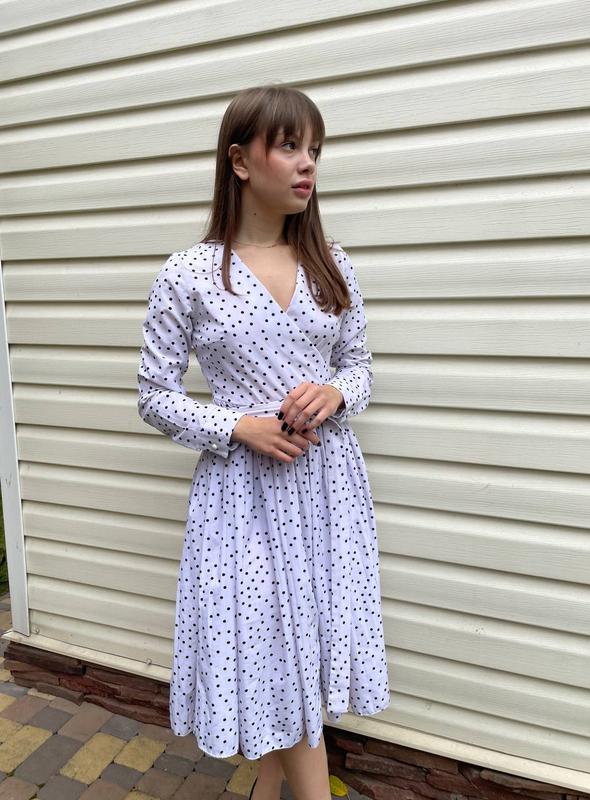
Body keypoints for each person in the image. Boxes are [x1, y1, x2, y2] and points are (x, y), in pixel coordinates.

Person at [136, 83, 390, 800]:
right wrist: (236, 425)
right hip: (241, 499)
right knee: (270, 650)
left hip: (327, 492)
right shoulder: (189, 274)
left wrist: (337, 393)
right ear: (240, 161)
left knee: (301, 653)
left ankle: (263, 789)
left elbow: (360, 367)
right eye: (289, 147)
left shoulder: (331, 263)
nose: (308, 164)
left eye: (315, 150)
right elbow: (153, 394)